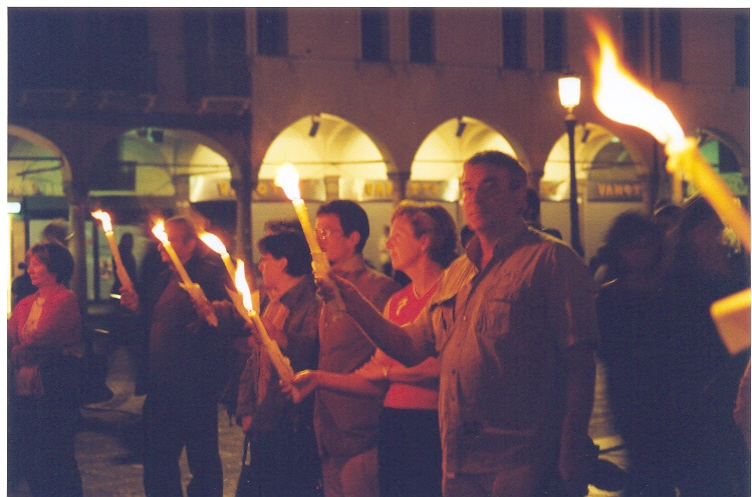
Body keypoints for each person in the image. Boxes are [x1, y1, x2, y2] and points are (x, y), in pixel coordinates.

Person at [317, 151, 598, 497]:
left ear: (519, 197)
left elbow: (579, 362)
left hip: (520, 459)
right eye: (467, 188)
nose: (475, 197)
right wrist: (353, 302)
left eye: (489, 187)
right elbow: (410, 346)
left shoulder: (550, 260)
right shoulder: (458, 273)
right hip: (459, 459)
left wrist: (570, 447)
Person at [288, 202, 459, 497]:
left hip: (432, 425)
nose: (388, 243)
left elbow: (452, 367)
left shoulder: (451, 293)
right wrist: (317, 378)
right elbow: (374, 379)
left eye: (398, 235)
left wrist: (388, 372)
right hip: (394, 423)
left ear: (425, 241)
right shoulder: (399, 302)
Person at [120, 216, 237, 497]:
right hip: (162, 386)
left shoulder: (207, 275)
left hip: (194, 385)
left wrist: (206, 314)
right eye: (161, 242)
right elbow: (153, 320)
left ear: (189, 244)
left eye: (169, 241)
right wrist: (138, 308)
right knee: (158, 459)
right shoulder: (163, 277)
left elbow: (224, 321)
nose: (162, 247)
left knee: (202, 460)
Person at [660, 195, 750, 496]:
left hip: (733, 398)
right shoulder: (678, 280)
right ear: (692, 232)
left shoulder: (734, 272)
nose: (721, 239)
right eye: (713, 229)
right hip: (697, 409)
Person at [312, 199, 402, 497]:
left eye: (327, 232)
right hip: (326, 427)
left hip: (360, 428)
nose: (318, 239)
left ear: (353, 238)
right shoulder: (322, 286)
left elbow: (388, 355)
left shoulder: (378, 289)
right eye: (317, 232)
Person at [233, 230, 322, 497]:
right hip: (264, 422)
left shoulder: (312, 303)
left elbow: (314, 353)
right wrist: (247, 409)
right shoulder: (271, 303)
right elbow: (255, 362)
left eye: (265, 258)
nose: (260, 265)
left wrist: (279, 336)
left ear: (283, 262)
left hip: (291, 425)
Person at [595, 211, 673, 496]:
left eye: (646, 244)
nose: (640, 253)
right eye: (632, 245)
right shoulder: (610, 297)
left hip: (667, 391)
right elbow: (606, 348)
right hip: (630, 393)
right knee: (644, 464)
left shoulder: (668, 291)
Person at [8, 242, 85, 496]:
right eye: (30, 263)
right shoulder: (25, 303)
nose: (29, 269)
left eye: (36, 263)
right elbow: (10, 338)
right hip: (24, 392)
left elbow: (42, 341)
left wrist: (19, 351)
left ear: (54, 268)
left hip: (53, 392)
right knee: (31, 456)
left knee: (58, 455)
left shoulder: (65, 299)